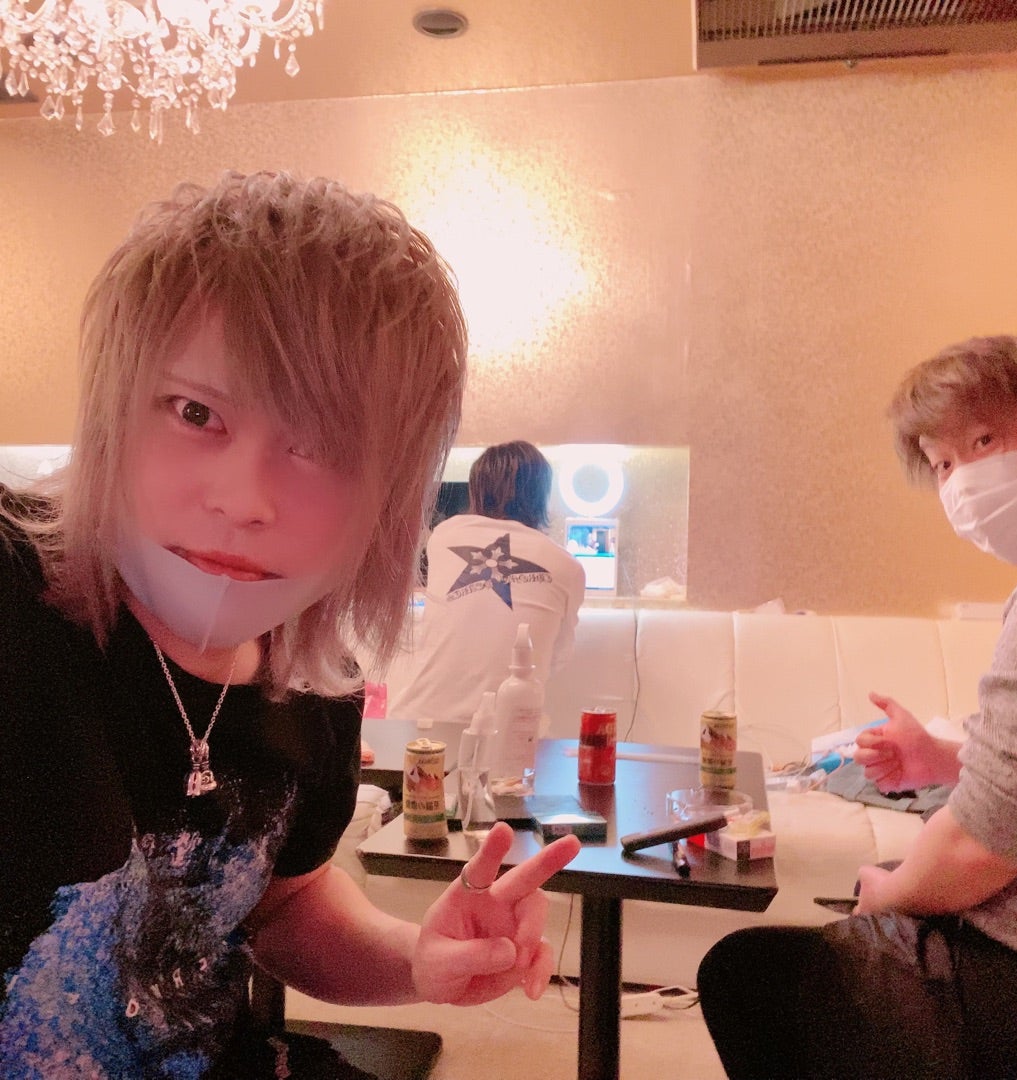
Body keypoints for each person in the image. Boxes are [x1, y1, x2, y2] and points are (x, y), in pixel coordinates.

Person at [0, 171, 580, 1078]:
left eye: (323, 446)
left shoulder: (317, 683)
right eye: (196, 413)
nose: (245, 500)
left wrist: (417, 960)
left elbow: (283, 907)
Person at [696, 334, 1017, 1080]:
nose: (963, 479)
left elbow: (979, 850)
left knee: (751, 976)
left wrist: (889, 894)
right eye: (942, 464)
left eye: (983, 440)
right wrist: (949, 761)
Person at [391, 440, 586, 724]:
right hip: (510, 729)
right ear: (542, 495)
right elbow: (557, 658)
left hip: (421, 721)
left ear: (476, 490)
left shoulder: (444, 536)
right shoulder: (567, 566)